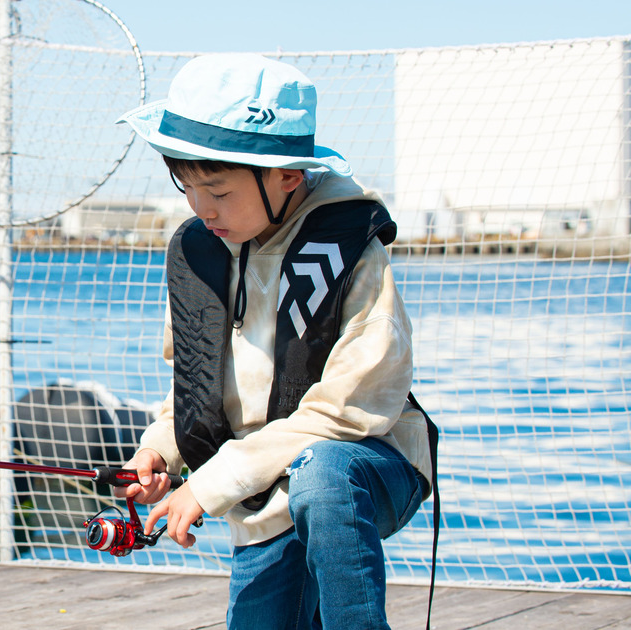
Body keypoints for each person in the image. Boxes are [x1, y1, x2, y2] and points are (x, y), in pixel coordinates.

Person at [113, 53, 436, 629]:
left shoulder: (349, 251)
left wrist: (210, 484)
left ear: (288, 176)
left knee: (324, 473)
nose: (200, 208)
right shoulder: (200, 255)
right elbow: (193, 390)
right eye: (186, 187)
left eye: (218, 190)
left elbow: (349, 410)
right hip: (260, 491)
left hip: (364, 464)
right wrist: (160, 450)